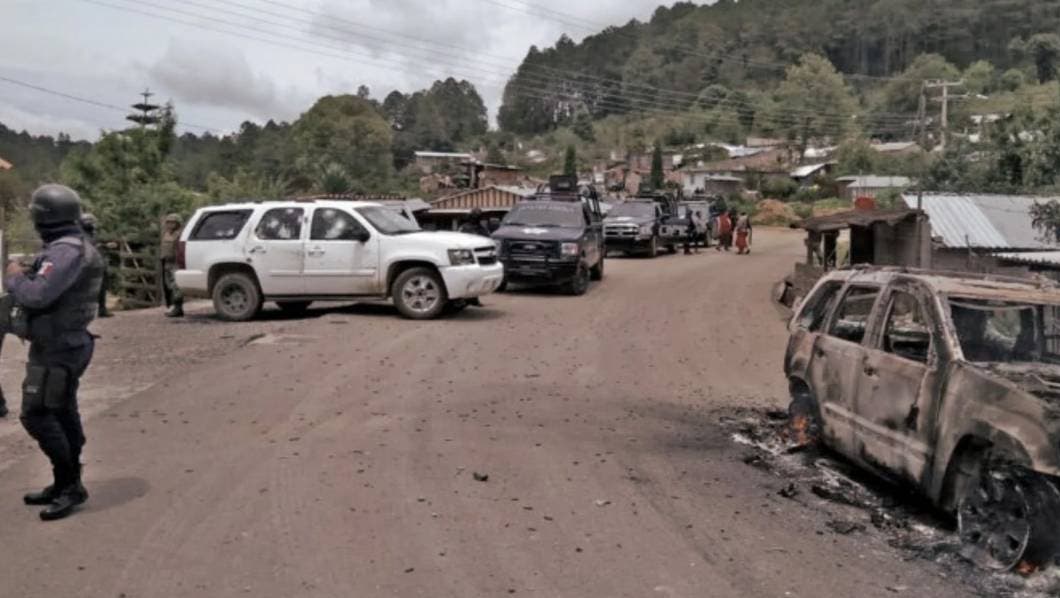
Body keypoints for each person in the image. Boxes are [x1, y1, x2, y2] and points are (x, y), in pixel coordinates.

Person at [5, 184, 104, 520]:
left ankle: (71, 484)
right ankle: (64, 482)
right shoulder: (77, 244)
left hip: (58, 348)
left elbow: (37, 296)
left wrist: (15, 277)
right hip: (66, 343)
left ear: (42, 217)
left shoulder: (66, 251)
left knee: (36, 414)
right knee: (61, 411)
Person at [80, 214, 112, 318]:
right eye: (91, 222)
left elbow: (96, 245)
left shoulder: (92, 233)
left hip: (98, 262)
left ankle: (102, 309)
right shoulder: (82, 234)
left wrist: (104, 246)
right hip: (88, 264)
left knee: (102, 286)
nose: (93, 224)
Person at [160, 213, 184, 318]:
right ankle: (173, 306)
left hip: (175, 262)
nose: (170, 224)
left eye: (172, 222)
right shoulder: (166, 233)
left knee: (176, 285)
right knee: (168, 284)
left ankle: (178, 308)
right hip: (166, 261)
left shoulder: (180, 234)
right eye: (168, 222)